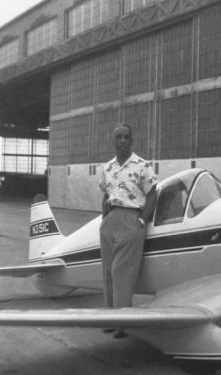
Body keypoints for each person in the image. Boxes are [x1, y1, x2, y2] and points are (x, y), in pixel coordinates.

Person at [98, 124, 157, 338]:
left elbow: (152, 194)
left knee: (121, 272)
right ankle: (109, 319)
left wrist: (142, 220)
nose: (122, 140)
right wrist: (104, 220)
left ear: (131, 141)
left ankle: (123, 323)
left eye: (126, 137)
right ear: (113, 141)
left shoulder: (142, 165)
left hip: (132, 218)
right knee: (107, 272)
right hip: (110, 219)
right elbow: (106, 195)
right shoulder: (107, 168)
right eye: (118, 137)